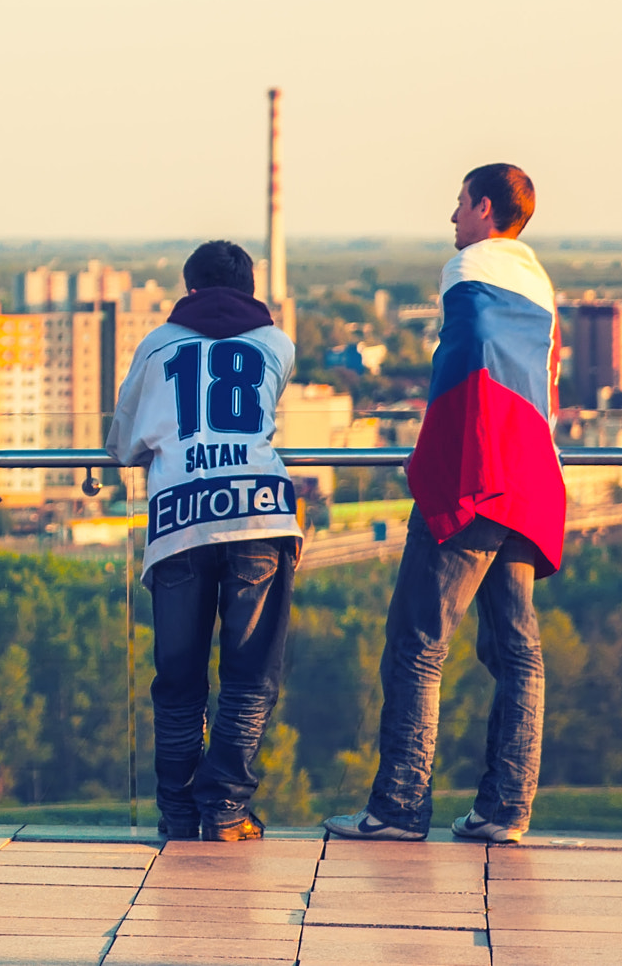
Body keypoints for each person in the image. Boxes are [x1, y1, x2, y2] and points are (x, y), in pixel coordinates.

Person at [328, 164, 564, 844]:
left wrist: (433, 462)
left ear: (485, 208)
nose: (452, 217)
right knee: (518, 651)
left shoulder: (470, 267)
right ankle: (504, 810)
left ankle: (400, 807)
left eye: (460, 203)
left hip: (477, 475)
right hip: (530, 477)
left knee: (417, 642)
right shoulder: (540, 279)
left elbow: (466, 367)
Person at [106, 241, 300, 842]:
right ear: (249, 289)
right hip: (259, 516)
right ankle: (225, 810)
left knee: (179, 677)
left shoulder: (157, 344)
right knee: (248, 675)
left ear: (188, 290)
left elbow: (125, 444)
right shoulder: (277, 343)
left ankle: (177, 810)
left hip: (180, 522)